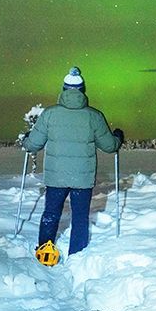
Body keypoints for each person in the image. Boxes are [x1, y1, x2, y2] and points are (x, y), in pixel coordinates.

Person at [22, 66, 123, 257]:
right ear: (83, 91)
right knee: (80, 217)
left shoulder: (50, 114)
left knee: (51, 214)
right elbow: (109, 146)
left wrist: (27, 139)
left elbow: (33, 145)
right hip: (82, 179)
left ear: (64, 89)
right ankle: (77, 255)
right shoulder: (94, 116)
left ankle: (45, 251)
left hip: (56, 177)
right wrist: (118, 138)